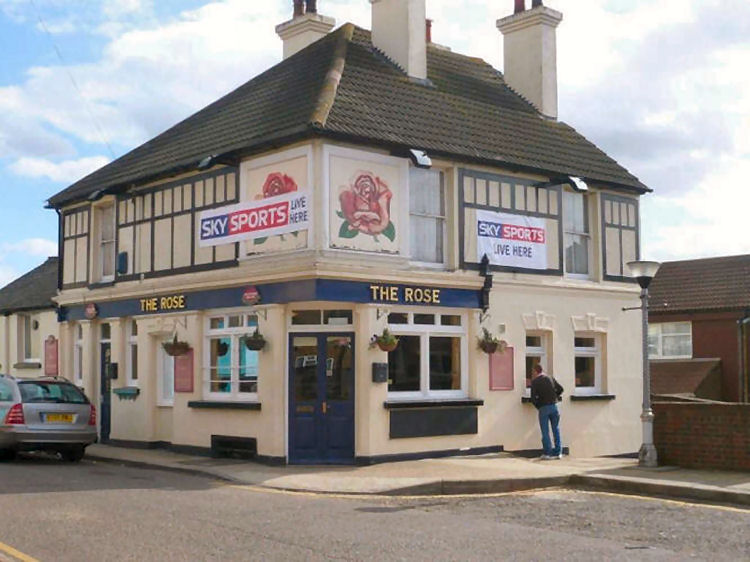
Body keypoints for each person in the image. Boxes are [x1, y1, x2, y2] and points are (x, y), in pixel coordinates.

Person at [530, 364, 563, 460]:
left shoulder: (535, 382)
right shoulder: (550, 378)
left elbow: (533, 399)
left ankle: (548, 453)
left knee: (545, 431)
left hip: (543, 407)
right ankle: (558, 452)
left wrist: (539, 406)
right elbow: (561, 389)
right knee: (556, 429)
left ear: (535, 371)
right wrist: (555, 397)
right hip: (554, 406)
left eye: (533, 372)